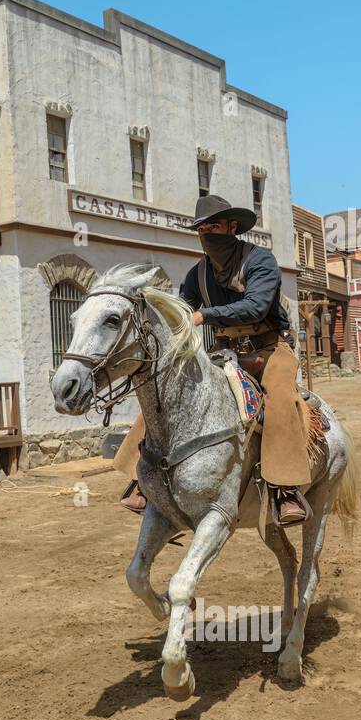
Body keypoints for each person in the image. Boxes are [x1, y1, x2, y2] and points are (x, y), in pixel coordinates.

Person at [114, 193, 311, 526]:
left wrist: (204, 315)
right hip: (226, 352)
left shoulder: (261, 261)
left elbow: (256, 307)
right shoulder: (197, 275)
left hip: (270, 349)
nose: (208, 234)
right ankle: (142, 477)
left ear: (232, 227)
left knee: (279, 396)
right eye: (202, 229)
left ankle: (285, 488)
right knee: (164, 391)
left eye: (214, 226)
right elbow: (181, 310)